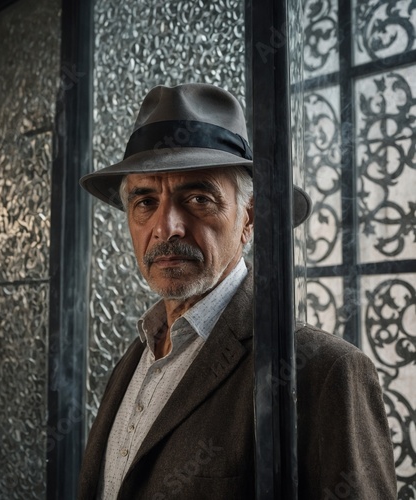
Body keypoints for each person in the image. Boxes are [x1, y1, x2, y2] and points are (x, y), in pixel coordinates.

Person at [78, 83, 397, 499]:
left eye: (197, 198)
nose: (165, 227)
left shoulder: (323, 372)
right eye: (145, 201)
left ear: (250, 218)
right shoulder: (135, 358)